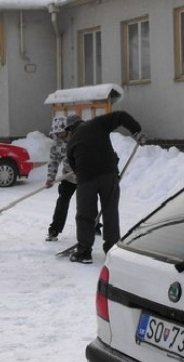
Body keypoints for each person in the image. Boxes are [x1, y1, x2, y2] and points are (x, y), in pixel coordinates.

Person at [65, 111, 145, 264]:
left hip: (86, 179)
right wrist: (136, 130)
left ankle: (84, 252)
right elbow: (121, 115)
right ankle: (112, 250)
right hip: (109, 175)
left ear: (70, 129)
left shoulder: (71, 142)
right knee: (110, 212)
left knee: (85, 215)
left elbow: (75, 168)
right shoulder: (97, 123)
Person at [44, 115, 77, 242]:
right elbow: (53, 162)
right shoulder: (56, 145)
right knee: (62, 202)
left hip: (83, 177)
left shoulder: (77, 138)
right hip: (68, 177)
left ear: (68, 129)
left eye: (61, 132)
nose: (59, 136)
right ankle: (54, 230)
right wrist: (50, 178)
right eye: (57, 133)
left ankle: (94, 226)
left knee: (86, 204)